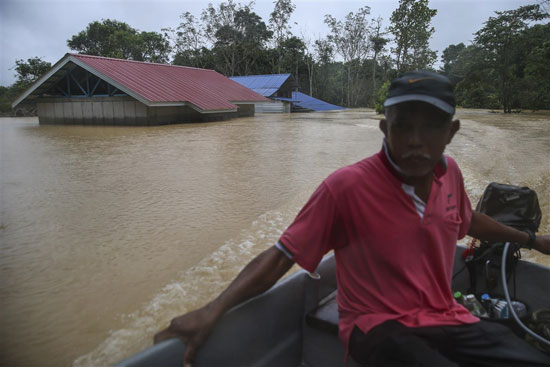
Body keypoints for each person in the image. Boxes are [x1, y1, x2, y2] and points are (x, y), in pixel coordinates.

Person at [154, 70, 550, 367]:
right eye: (402, 127)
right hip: (376, 326)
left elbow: (469, 221)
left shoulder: (452, 175)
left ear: (451, 132)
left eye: (429, 127)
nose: (415, 140)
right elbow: (281, 255)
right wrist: (213, 309)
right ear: (384, 129)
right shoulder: (345, 188)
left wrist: (532, 240)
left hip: (444, 313)